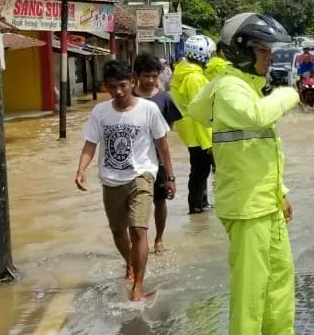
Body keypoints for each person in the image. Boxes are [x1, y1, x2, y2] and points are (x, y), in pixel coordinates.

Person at [187, 13, 314, 335]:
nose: (268, 57)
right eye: (262, 50)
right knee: (251, 280)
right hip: (246, 204)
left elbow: (265, 151)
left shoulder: (245, 84)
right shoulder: (230, 88)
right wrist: (289, 93)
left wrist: (282, 194)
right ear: (243, 51)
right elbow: (257, 117)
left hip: (265, 200)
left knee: (279, 273)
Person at [75, 58, 176, 302]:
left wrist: (170, 177)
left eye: (122, 85)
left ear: (132, 82)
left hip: (141, 175)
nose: (118, 92)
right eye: (112, 87)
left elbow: (163, 145)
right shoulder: (100, 112)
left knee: (139, 230)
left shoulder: (149, 110)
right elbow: (91, 143)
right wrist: (81, 170)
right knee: (118, 231)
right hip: (111, 179)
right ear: (105, 87)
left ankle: (138, 286)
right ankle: (129, 264)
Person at [133, 53, 183, 252]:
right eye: (146, 76)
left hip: (158, 159)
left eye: (155, 76)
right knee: (136, 204)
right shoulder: (130, 97)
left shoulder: (164, 99)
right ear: (137, 75)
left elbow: (167, 132)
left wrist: (171, 175)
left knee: (160, 200)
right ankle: (139, 243)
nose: (151, 80)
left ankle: (159, 239)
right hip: (135, 161)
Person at [171, 35, 216, 214]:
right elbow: (201, 110)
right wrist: (208, 141)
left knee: (200, 168)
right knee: (200, 169)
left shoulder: (184, 72)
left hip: (190, 128)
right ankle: (197, 204)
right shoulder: (194, 78)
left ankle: (201, 202)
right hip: (197, 129)